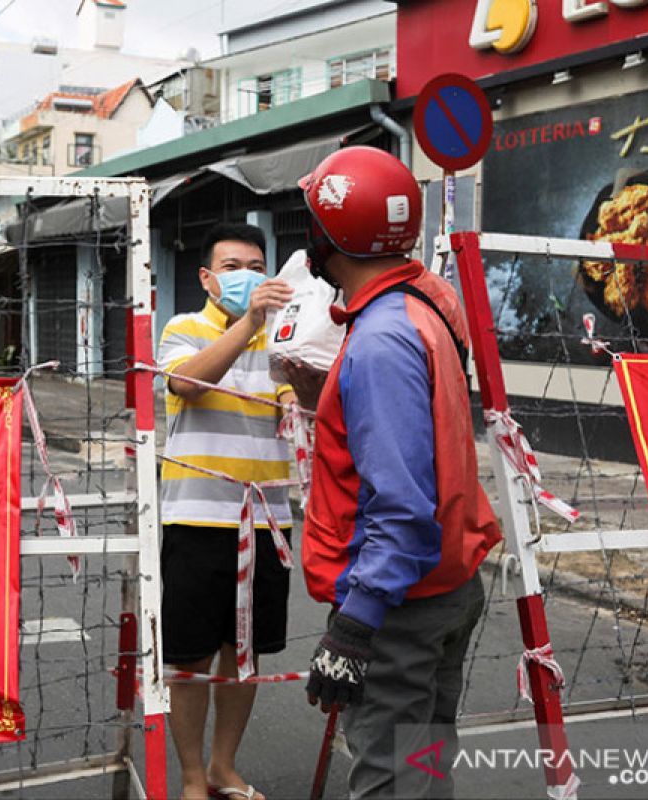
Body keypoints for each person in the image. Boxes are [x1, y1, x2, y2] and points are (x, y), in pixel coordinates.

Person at [298, 146, 503, 798]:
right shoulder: (428, 300)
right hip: (448, 583)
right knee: (424, 769)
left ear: (331, 239)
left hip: (399, 606)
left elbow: (400, 505)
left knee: (390, 782)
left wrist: (355, 626)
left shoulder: (382, 342)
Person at [156, 222, 296, 800]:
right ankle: (191, 777)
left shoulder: (285, 338)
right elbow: (187, 383)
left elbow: (307, 404)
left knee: (245, 654)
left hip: (266, 521)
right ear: (207, 278)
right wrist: (248, 324)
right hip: (194, 518)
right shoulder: (182, 328)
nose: (247, 277)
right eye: (233, 267)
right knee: (188, 656)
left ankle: (223, 767)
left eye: (256, 266)